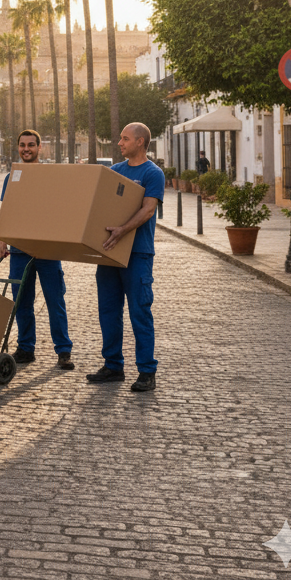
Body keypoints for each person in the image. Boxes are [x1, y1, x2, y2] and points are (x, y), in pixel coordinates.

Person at [86, 122, 165, 392]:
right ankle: (113, 366)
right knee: (108, 311)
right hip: (108, 251)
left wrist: (122, 231)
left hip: (137, 253)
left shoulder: (153, 174)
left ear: (140, 142)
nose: (119, 143)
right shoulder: (114, 172)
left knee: (139, 312)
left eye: (125, 138)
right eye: (120, 138)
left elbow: (148, 210)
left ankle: (147, 372)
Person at [0, 129, 75, 370]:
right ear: (18, 147)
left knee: (55, 301)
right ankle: (26, 348)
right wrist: (1, 240)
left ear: (40, 148)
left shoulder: (50, 175)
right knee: (21, 302)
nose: (26, 149)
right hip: (19, 250)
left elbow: (62, 211)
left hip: (48, 251)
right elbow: (7, 211)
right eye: (23, 145)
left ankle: (63, 351)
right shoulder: (12, 177)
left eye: (31, 145)